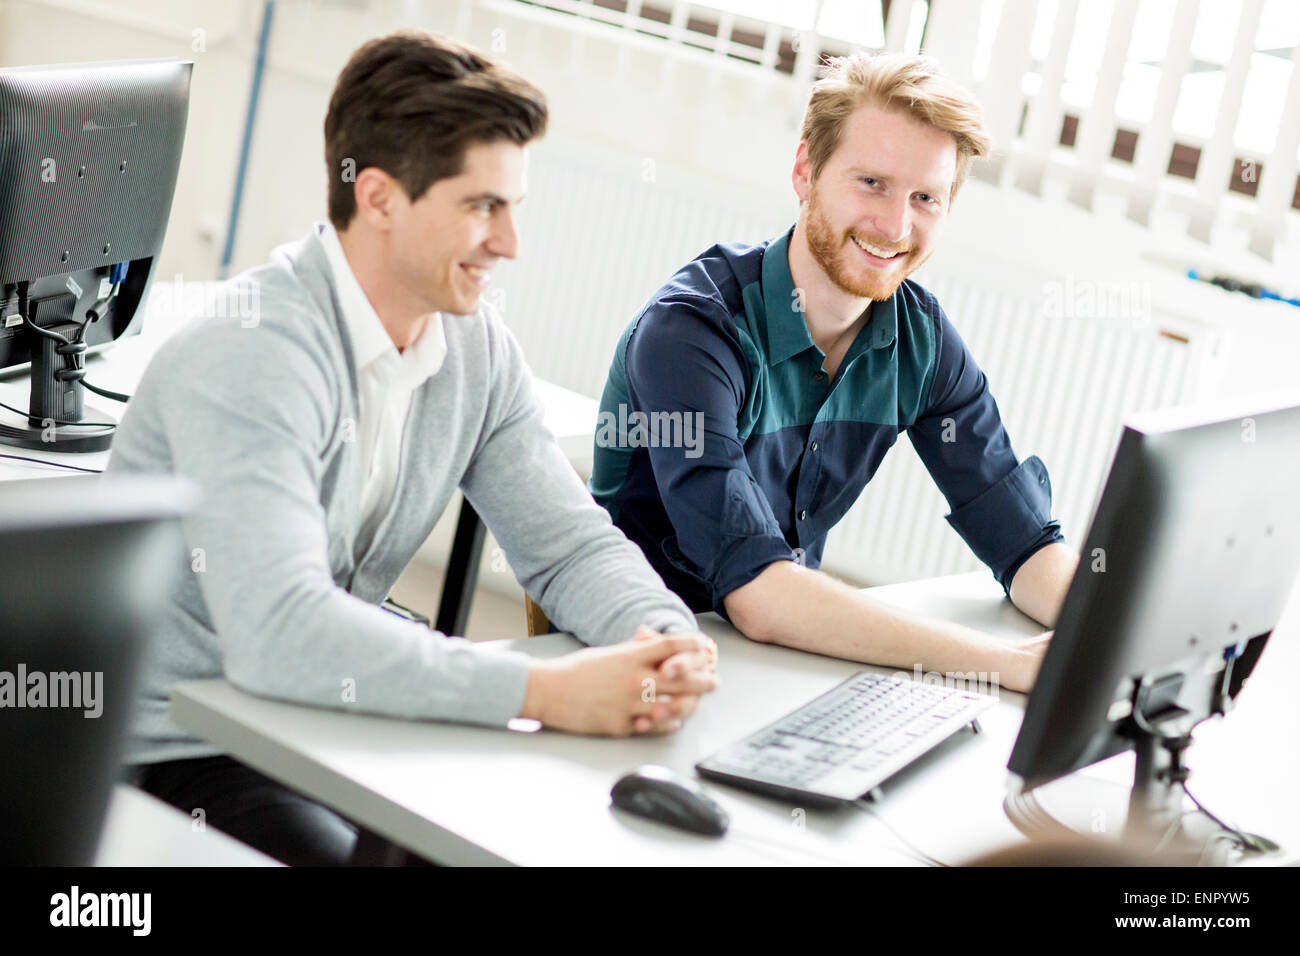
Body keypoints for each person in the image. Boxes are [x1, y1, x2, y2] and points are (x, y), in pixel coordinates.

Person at [111, 30, 717, 866]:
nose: (510, 244)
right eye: (482, 207)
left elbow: (567, 545)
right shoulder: (251, 355)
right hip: (176, 748)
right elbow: (282, 632)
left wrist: (659, 640)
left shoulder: (473, 345)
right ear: (381, 197)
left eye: (513, 208)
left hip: (326, 717)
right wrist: (546, 691)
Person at [590, 52, 1078, 694]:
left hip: (781, 658)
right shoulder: (692, 332)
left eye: (925, 197)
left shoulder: (919, 339)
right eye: (871, 182)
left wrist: (1109, 637)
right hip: (630, 663)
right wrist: (1006, 666)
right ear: (805, 171)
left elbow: (1025, 545)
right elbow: (758, 593)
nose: (895, 225)